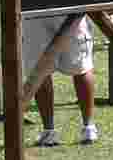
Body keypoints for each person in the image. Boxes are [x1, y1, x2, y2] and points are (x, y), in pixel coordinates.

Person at [20, 12, 100, 147]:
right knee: (81, 68)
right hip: (68, 7)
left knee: (41, 70)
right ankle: (88, 128)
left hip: (35, 9)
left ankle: (49, 131)